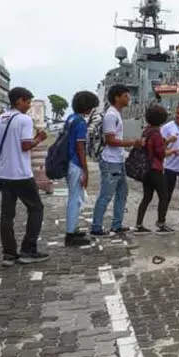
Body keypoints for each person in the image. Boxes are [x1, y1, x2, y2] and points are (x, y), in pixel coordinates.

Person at [0, 87, 50, 265]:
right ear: (18, 101)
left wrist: (5, 155)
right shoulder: (24, 120)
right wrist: (39, 138)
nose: (29, 105)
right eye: (27, 101)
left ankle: (9, 253)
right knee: (36, 208)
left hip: (3, 173)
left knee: (7, 214)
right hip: (21, 173)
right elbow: (25, 146)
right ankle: (28, 249)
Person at [91, 85, 143, 237]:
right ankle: (96, 227)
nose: (129, 98)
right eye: (126, 96)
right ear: (117, 97)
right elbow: (110, 140)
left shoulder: (116, 114)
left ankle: (117, 224)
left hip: (118, 160)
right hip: (110, 161)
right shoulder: (111, 115)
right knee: (106, 195)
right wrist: (133, 142)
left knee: (122, 192)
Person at [134, 104, 177, 234]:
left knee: (147, 197)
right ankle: (161, 223)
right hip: (155, 169)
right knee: (164, 196)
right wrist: (173, 150)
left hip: (146, 170)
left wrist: (167, 141)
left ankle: (139, 224)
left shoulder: (146, 131)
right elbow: (161, 153)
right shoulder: (157, 134)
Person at [64, 91, 100, 247]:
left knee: (74, 197)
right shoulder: (80, 122)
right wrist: (85, 170)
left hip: (68, 161)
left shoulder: (71, 119)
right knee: (75, 199)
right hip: (75, 163)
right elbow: (81, 147)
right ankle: (70, 234)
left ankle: (72, 228)